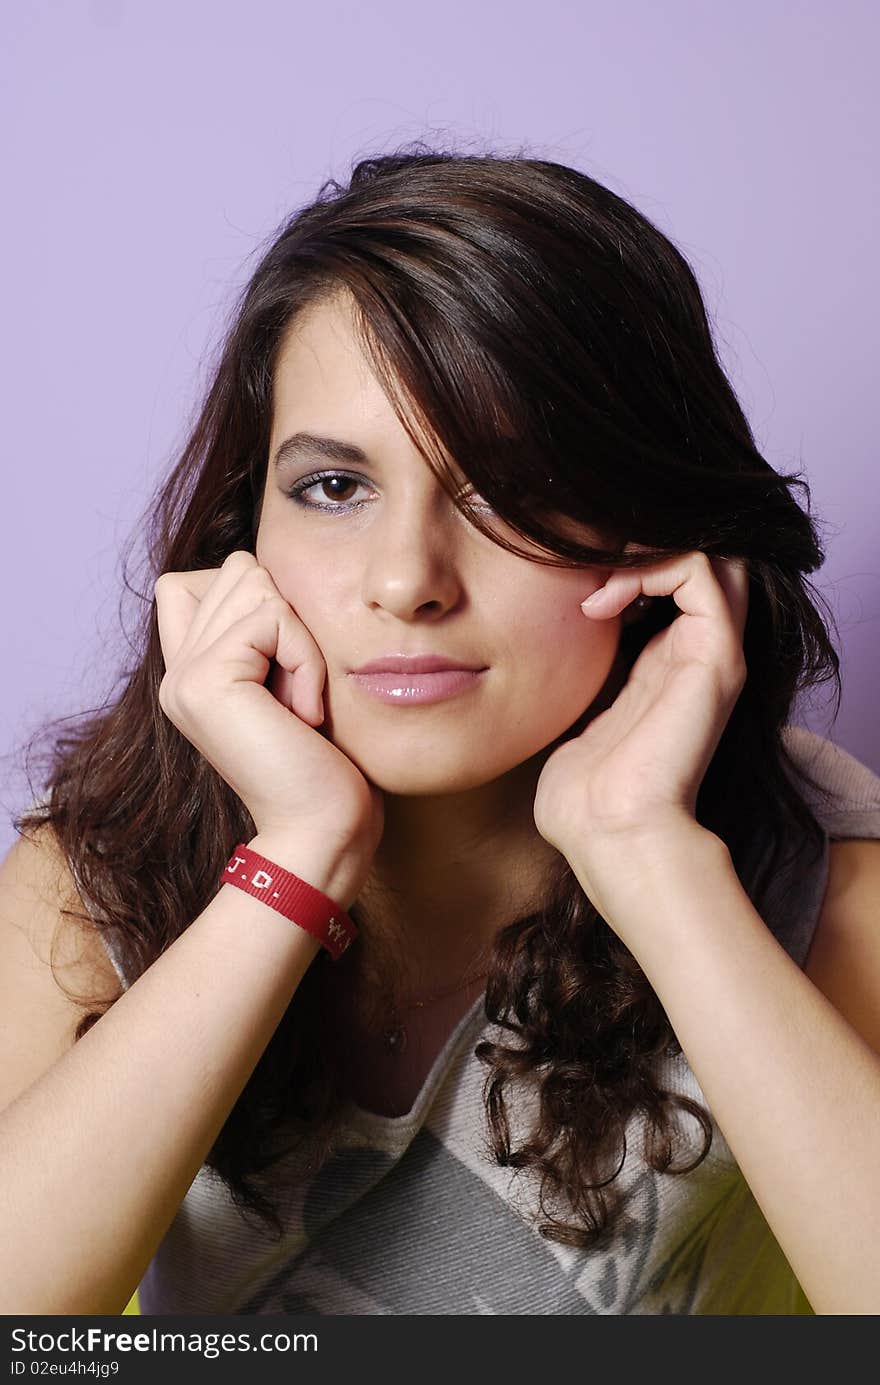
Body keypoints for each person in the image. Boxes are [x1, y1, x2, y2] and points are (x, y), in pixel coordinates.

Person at [2, 146, 879, 1317]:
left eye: (505, 489)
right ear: (242, 534)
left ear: (652, 530)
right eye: (334, 487)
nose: (408, 580)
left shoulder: (817, 868)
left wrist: (645, 852)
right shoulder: (98, 863)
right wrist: (298, 852)